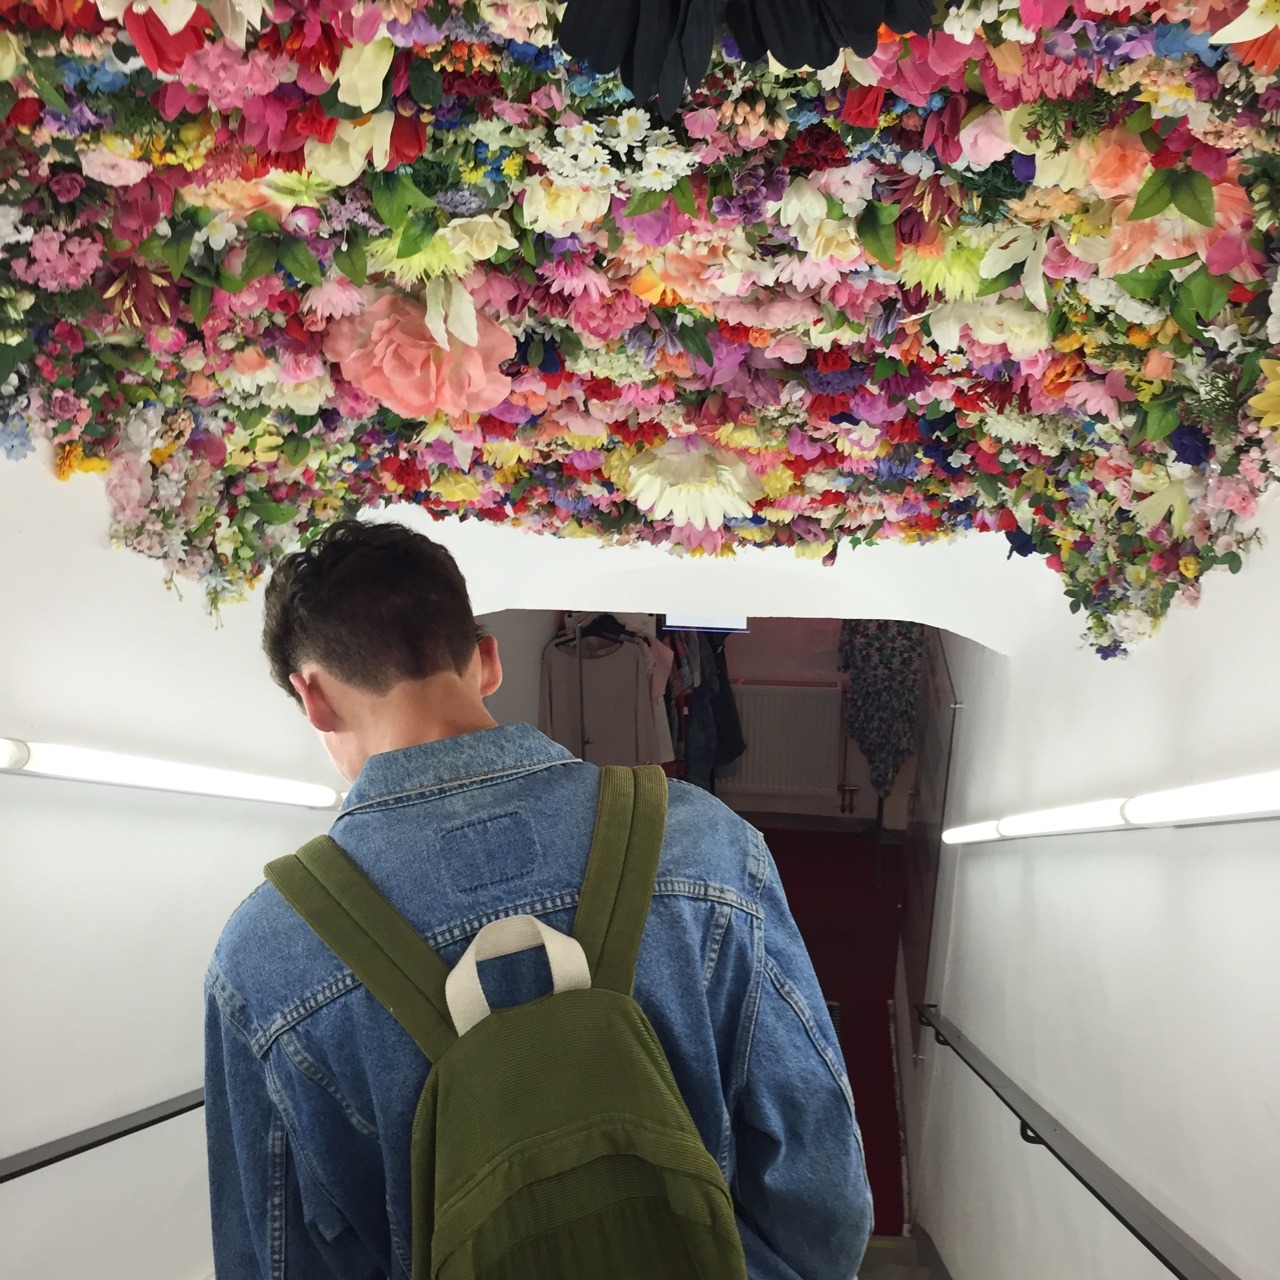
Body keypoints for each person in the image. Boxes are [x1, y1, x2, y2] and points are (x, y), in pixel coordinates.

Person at [204, 518, 873, 1280]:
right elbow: (819, 1171)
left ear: (313, 697)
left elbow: (274, 1259)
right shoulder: (702, 842)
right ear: (488, 660)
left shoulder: (264, 955)